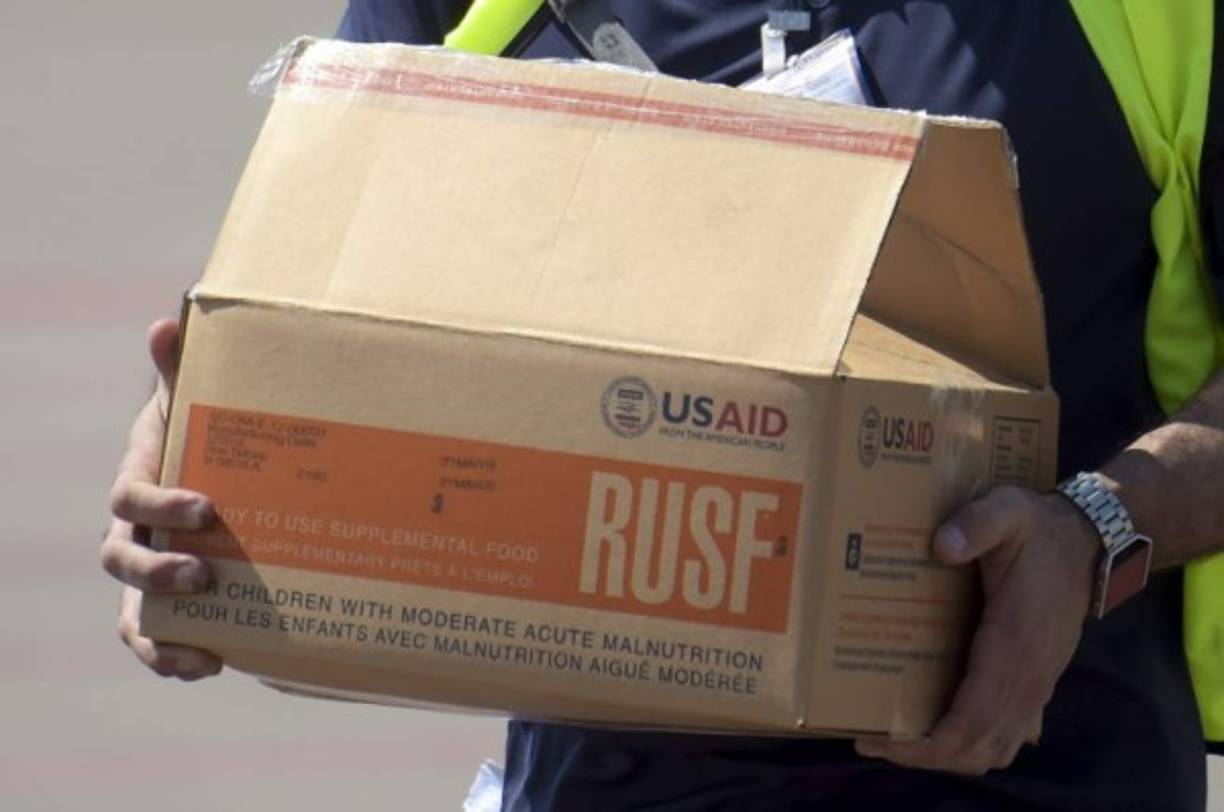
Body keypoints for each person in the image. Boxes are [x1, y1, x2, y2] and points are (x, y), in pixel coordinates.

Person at [102, 2, 1224, 809]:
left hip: (1045, 764)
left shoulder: (1151, 23)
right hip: (601, 778)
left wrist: (1100, 527)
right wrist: (199, 446)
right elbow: (302, 287)